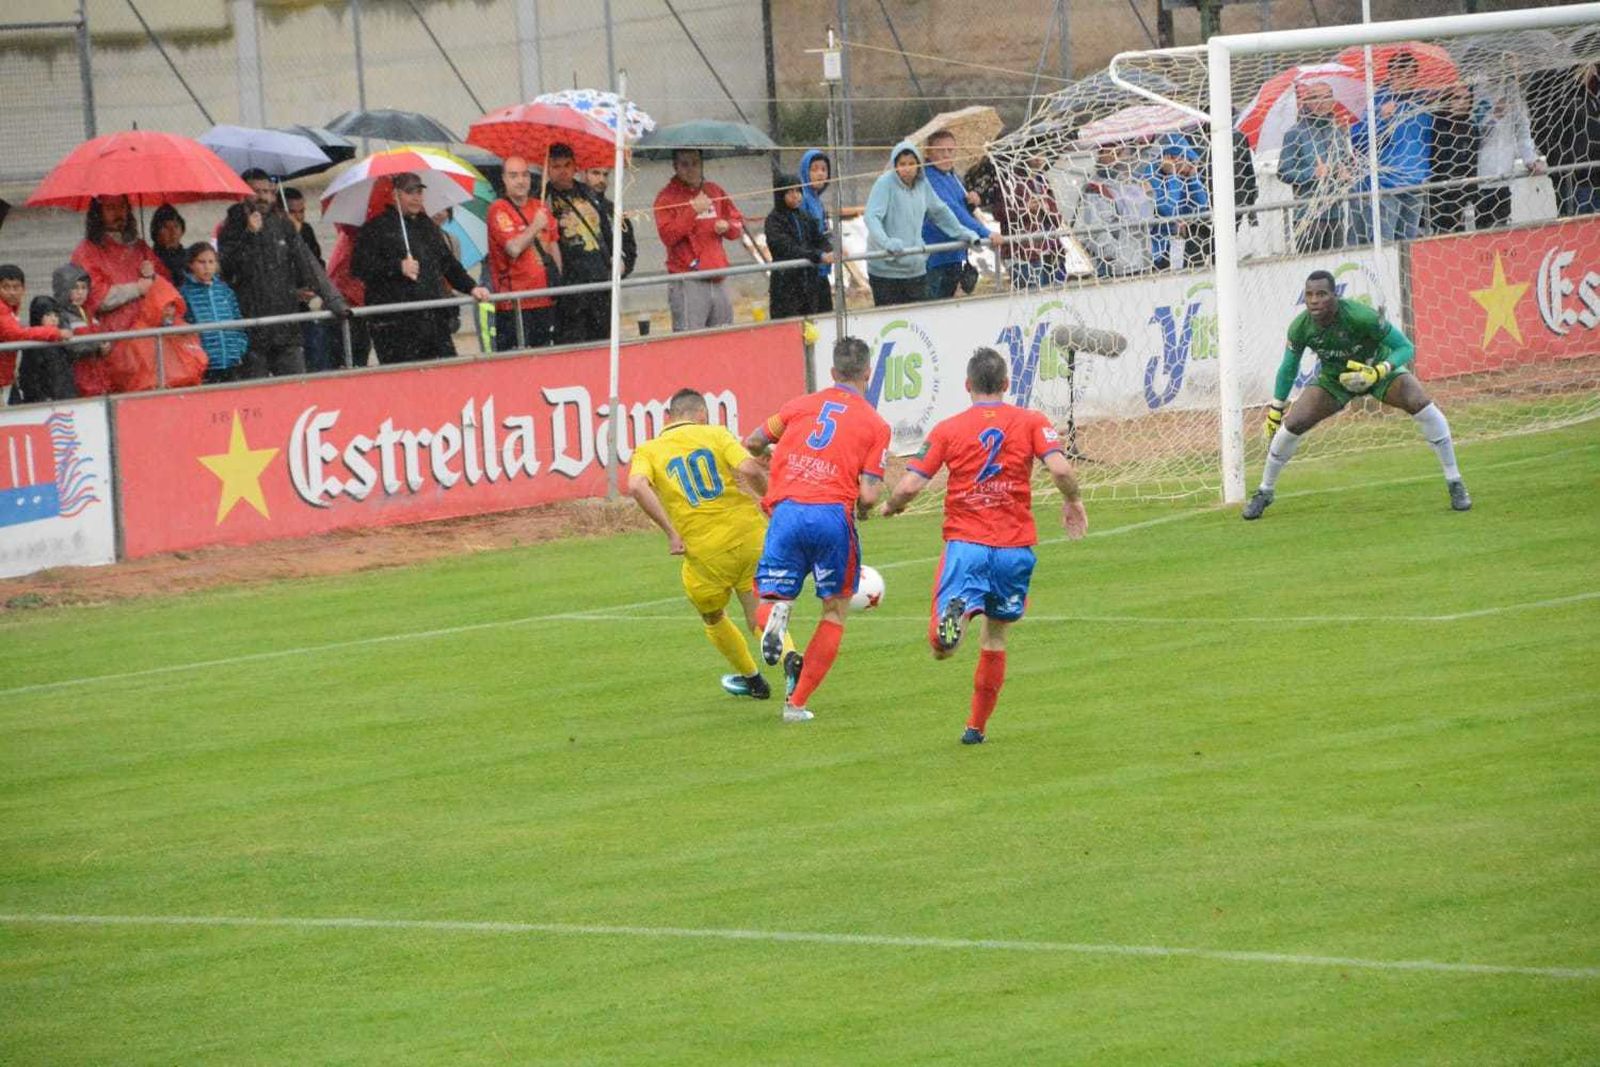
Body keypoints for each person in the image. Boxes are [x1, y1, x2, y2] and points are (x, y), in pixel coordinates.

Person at [880, 346, 1088, 744]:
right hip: (1014, 549)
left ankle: (954, 620)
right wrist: (1073, 500)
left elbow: (910, 485)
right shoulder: (1030, 421)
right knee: (995, 637)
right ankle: (976, 728)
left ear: (967, 385)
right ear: (1007, 384)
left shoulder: (948, 428)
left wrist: (892, 505)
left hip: (967, 545)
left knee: (942, 649)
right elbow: (1060, 467)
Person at [742, 337, 892, 723]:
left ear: (831, 373)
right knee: (834, 611)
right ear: (868, 374)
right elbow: (871, 495)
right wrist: (864, 502)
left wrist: (784, 461)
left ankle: (778, 613)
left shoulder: (800, 406)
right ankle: (795, 705)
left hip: (787, 510)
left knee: (768, 600)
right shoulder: (876, 424)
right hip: (831, 516)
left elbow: (754, 441)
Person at [1243, 270, 1470, 520]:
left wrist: (1380, 370)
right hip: (1335, 380)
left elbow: (1405, 347)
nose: (1314, 300)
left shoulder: (1361, 316)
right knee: (1294, 423)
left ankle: (1454, 481)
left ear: (1335, 296)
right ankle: (1265, 491)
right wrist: (1276, 409)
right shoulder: (1300, 327)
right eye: (1309, 295)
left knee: (1418, 400)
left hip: (1377, 368)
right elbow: (1288, 368)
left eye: (1321, 294)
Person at [629, 388, 794, 701]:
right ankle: (789, 658)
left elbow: (636, 485)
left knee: (713, 616)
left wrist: (670, 531)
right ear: (702, 414)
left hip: (704, 550)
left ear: (669, 417)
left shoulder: (649, 450)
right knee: (759, 611)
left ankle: (754, 680)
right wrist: (772, 502)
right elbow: (747, 468)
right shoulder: (716, 434)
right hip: (748, 535)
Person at [218, 167, 347, 378]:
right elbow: (228, 268)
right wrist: (249, 234)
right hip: (250, 330)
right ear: (243, 193)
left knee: (296, 392)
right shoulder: (231, 226)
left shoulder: (283, 223)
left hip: (287, 329)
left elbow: (308, 264)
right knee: (259, 397)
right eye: (257, 191)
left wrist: (335, 302)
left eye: (268, 191)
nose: (263, 197)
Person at [353, 172, 491, 364]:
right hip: (394, 326)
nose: (417, 198)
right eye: (410, 192)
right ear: (395, 195)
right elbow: (360, 267)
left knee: (446, 374)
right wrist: (397, 267)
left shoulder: (427, 226)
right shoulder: (374, 228)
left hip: (432, 320)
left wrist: (471, 287)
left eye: (419, 192)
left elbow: (448, 263)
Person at [864, 140, 982, 306]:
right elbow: (872, 217)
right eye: (902, 164)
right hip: (886, 270)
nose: (907, 168)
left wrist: (964, 233)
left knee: (920, 321)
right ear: (895, 165)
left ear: (919, 165)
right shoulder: (884, 184)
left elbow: (940, 212)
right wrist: (886, 242)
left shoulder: (923, 184)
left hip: (915, 268)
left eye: (911, 163)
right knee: (892, 322)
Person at [70, 195, 164, 395]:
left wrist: (153, 275)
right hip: (113, 342)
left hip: (146, 338)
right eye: (111, 208)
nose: (118, 213)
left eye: (122, 207)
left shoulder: (139, 247)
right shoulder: (86, 252)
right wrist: (138, 288)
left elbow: (165, 285)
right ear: (98, 213)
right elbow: (96, 297)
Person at [653, 148, 745, 332]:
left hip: (718, 277)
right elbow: (668, 236)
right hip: (688, 280)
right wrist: (692, 211)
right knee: (690, 341)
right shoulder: (666, 198)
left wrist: (728, 226)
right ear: (675, 167)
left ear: (702, 164)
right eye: (684, 164)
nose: (691, 169)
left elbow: (738, 224)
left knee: (723, 339)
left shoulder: (714, 190)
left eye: (695, 163)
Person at [1350, 53, 1433, 243]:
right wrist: (1382, 120)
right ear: (1391, 75)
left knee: (1409, 244)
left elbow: (1426, 143)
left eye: (1409, 74)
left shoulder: (1421, 105)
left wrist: (1424, 172)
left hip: (1415, 183)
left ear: (1415, 76)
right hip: (1386, 186)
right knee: (1385, 243)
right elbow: (1359, 141)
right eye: (1399, 74)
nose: (1404, 79)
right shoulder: (1377, 103)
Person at [487, 155, 560, 351]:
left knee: (547, 356)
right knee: (518, 362)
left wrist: (558, 281)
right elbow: (513, 248)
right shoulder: (499, 209)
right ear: (504, 179)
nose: (520, 181)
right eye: (513, 176)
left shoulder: (540, 206)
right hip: (515, 304)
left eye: (524, 175)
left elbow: (553, 246)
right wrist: (535, 226)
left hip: (545, 298)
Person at [1276, 81, 1356, 252]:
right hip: (1308, 215)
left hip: (1336, 212)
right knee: (1311, 268)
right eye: (1316, 97)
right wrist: (1313, 173)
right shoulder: (1295, 133)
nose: (1322, 102)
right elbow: (1283, 172)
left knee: (1335, 266)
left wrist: (1347, 173)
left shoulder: (1338, 131)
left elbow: (1348, 162)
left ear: (1333, 100)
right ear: (1306, 101)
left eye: (1327, 97)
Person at [921, 130, 997, 300]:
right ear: (928, 152)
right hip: (934, 258)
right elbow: (952, 213)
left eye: (951, 150)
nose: (947, 155)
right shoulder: (928, 179)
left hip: (954, 254)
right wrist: (986, 233)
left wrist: (971, 202)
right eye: (941, 151)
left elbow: (961, 209)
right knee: (933, 311)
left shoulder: (953, 177)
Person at [1474, 69, 1545, 230]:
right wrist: (1495, 116)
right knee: (1483, 229)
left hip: (1505, 172)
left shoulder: (1511, 88)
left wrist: (1529, 158)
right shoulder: (1476, 89)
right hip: (1481, 174)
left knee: (1502, 228)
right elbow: (1474, 134)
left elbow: (1522, 127)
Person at [0, 266, 76, 404]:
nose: (12, 292)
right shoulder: (2, 310)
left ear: (23, 289)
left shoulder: (9, 311)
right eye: (6, 287)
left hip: (6, 379)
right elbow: (15, 334)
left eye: (16, 287)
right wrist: (54, 332)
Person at [1077, 144, 1156, 277]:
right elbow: (1095, 231)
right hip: (1115, 268)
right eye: (1112, 151)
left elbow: (1148, 223)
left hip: (1140, 262)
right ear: (1099, 154)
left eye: (1120, 151)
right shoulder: (1096, 188)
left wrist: (1149, 196)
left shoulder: (1132, 184)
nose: (1117, 156)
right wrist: (1116, 257)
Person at [994, 142, 1065, 290]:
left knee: (1052, 297)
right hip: (1022, 253)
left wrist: (1046, 208)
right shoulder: (1010, 182)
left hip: (1049, 250)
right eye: (1034, 153)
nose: (1039, 158)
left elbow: (1057, 220)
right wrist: (1025, 210)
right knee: (1031, 299)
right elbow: (999, 212)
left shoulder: (1044, 181)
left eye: (1042, 153)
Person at [763, 173, 832, 320]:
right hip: (785, 286)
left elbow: (819, 238)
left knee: (812, 326)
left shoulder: (805, 216)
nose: (796, 196)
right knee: (788, 328)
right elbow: (787, 248)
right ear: (780, 194)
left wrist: (829, 250)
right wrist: (817, 255)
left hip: (809, 284)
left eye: (798, 190)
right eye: (790, 192)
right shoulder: (774, 220)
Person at [178, 243, 249, 383]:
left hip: (231, 360)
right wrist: (195, 354)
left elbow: (238, 321)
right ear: (191, 265)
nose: (207, 267)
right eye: (201, 262)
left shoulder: (224, 290)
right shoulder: (184, 293)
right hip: (203, 364)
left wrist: (239, 347)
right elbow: (182, 328)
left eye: (211, 262)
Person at [283, 186, 335, 372]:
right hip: (286, 307)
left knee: (319, 353)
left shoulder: (306, 230)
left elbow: (316, 263)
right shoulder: (273, 233)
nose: (299, 217)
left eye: (302, 211)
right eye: (293, 212)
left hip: (310, 302)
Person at [1146, 134, 1211, 270]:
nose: (1193, 165)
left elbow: (1201, 208)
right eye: (1190, 161)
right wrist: (1172, 176)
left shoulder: (1184, 178)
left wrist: (1193, 179)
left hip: (1176, 245)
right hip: (1155, 251)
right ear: (1173, 158)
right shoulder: (1151, 176)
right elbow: (1169, 210)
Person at [1427, 83, 1480, 235]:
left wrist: (1471, 195)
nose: (1462, 102)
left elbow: (1472, 163)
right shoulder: (1435, 124)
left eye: (1466, 98)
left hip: (1462, 196)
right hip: (1438, 195)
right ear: (1447, 100)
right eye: (1457, 98)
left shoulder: (1471, 127)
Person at [796, 149, 835, 313]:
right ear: (805, 171)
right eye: (814, 169)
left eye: (823, 169)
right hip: (808, 272)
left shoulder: (816, 199)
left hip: (821, 269)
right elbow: (804, 236)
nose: (820, 174)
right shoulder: (802, 199)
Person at [584, 167, 638, 279]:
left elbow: (629, 247)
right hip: (578, 280)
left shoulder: (614, 210)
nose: (601, 179)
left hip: (607, 281)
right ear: (583, 174)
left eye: (605, 175)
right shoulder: (571, 207)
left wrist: (623, 264)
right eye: (595, 173)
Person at [149, 203, 189, 285]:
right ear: (156, 232)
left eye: (176, 226)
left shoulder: (191, 256)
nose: (173, 232)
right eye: (166, 227)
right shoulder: (151, 259)